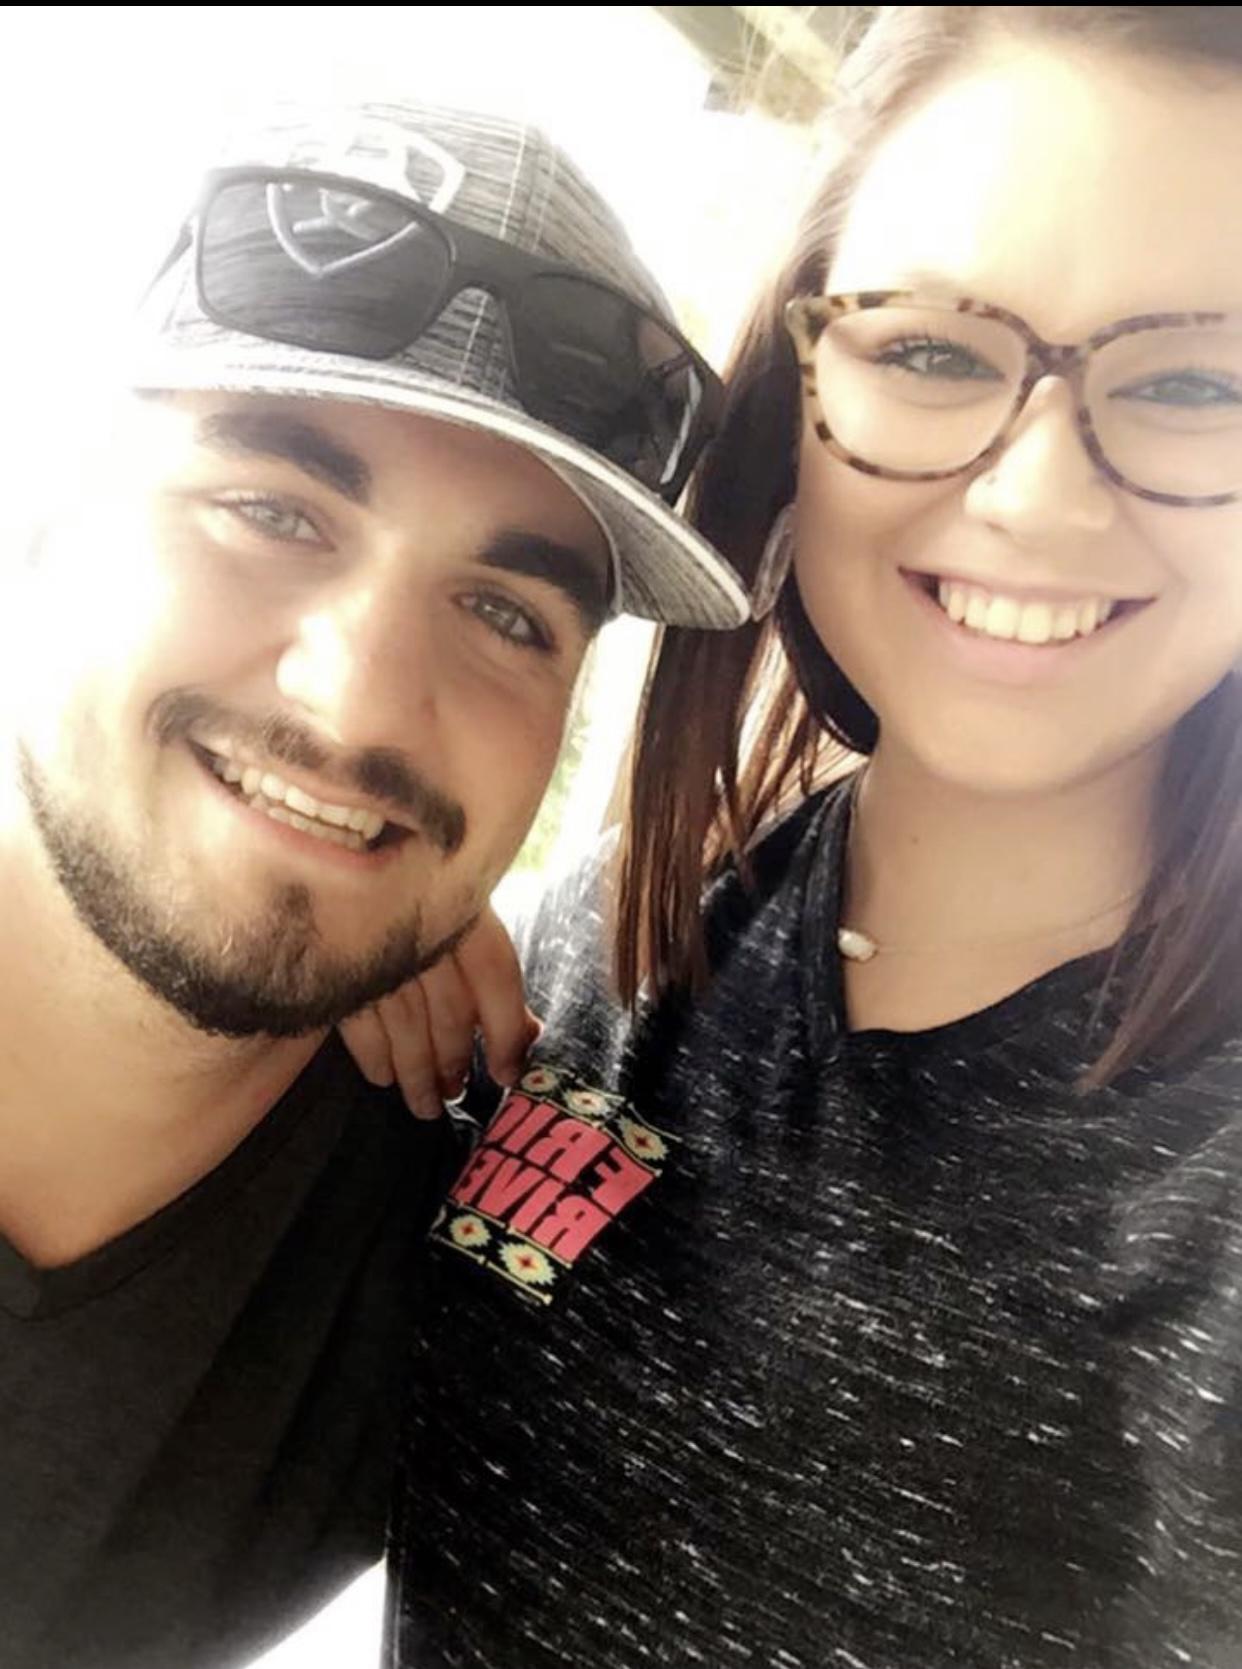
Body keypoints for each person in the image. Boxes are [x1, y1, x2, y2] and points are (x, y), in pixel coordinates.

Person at [378, 9, 1242, 1666]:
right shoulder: (595, 955)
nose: (1037, 496)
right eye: (929, 351)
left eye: (1197, 381)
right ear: (791, 396)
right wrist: (345, 932)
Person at [0, 97, 746, 1669]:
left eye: (506, 615)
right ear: (55, 511)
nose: (358, 710)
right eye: (273, 513)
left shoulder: (458, 1267)